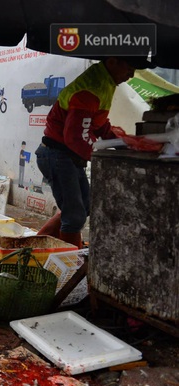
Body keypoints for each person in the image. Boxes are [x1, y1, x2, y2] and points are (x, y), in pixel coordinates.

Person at [34, 56, 154, 247]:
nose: (130, 76)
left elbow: (98, 122)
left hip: (65, 155)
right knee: (74, 217)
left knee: (83, 207)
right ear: (113, 61)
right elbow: (75, 137)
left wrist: (122, 142)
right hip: (57, 155)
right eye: (129, 69)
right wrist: (103, 156)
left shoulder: (104, 81)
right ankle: (71, 264)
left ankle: (36, 244)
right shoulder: (91, 88)